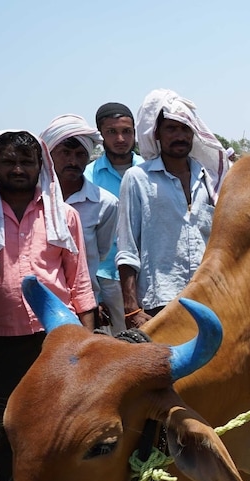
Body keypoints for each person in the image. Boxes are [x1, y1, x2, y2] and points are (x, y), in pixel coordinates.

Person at [0, 130, 96, 481]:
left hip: (55, 338)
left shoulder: (62, 215)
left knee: (60, 422)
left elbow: (79, 280)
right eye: (8, 161)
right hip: (1, 342)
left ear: (41, 166)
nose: (18, 169)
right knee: (9, 427)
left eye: (26, 161)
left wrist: (85, 341)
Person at [117, 88, 229, 330]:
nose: (179, 136)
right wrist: (132, 308)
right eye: (171, 128)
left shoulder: (210, 180)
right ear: (157, 133)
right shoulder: (137, 178)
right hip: (159, 302)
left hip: (209, 299)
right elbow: (127, 249)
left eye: (185, 128)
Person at [41, 115, 118, 323]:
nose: (73, 161)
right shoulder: (31, 200)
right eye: (65, 153)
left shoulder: (105, 203)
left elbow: (98, 255)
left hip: (82, 308)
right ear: (48, 154)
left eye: (80, 154)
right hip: (37, 305)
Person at [84, 102, 143, 334]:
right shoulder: (88, 177)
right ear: (101, 134)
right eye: (112, 132)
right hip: (106, 276)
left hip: (145, 274)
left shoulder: (149, 172)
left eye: (126, 131)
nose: (120, 138)